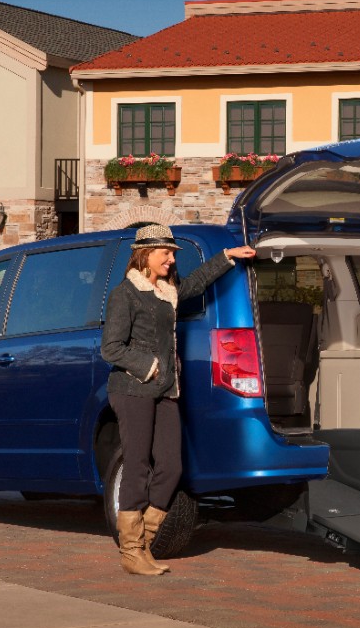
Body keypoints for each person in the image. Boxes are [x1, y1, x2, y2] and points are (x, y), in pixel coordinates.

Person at [101, 224, 256, 576]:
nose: (171, 260)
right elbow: (110, 347)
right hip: (133, 389)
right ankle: (131, 552)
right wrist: (151, 366)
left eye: (172, 254)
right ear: (145, 255)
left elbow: (197, 283)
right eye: (165, 254)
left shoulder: (167, 290)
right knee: (137, 467)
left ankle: (145, 543)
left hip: (167, 390)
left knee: (172, 467)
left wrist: (227, 257)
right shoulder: (125, 294)